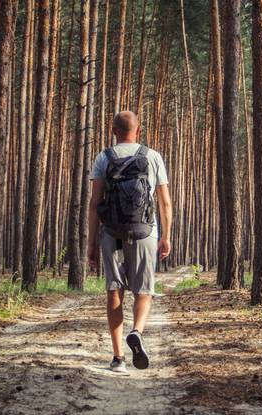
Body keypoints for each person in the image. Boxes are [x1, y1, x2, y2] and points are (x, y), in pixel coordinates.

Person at [87, 111, 172, 372]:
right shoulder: (152, 156)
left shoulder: (104, 157)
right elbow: (165, 202)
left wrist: (91, 243)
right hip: (145, 232)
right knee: (143, 290)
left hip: (111, 232)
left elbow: (94, 204)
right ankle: (136, 331)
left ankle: (118, 358)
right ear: (139, 130)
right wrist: (166, 236)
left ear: (113, 131)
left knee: (114, 290)